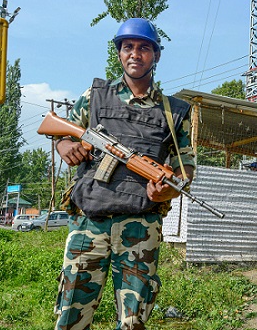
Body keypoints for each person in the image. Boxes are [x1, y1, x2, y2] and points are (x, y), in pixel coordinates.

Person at [53, 18, 196, 330]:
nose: (135, 53)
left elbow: (186, 171)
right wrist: (65, 146)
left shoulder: (174, 113)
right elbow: (62, 133)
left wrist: (167, 191)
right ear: (119, 53)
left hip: (140, 227)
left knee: (133, 321)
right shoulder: (94, 96)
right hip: (89, 221)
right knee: (70, 316)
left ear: (156, 56)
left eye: (144, 48)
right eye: (128, 47)